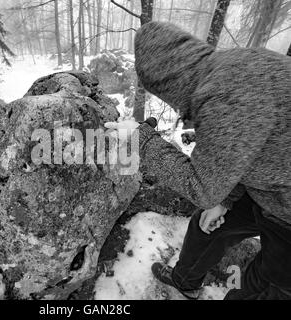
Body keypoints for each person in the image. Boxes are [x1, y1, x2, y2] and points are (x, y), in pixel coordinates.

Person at [105, 21, 291, 300]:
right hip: (268, 182)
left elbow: (203, 189)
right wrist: (226, 201)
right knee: (207, 225)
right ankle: (185, 281)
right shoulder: (234, 64)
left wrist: (140, 140)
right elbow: (251, 143)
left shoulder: (222, 98)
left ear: (168, 83)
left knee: (264, 288)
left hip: (285, 210)